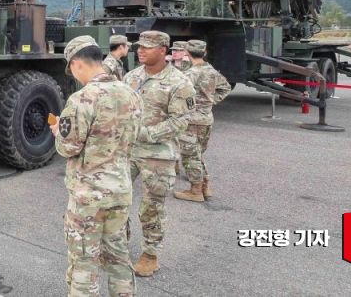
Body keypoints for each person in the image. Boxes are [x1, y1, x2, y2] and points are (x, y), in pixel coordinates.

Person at [52, 35, 140, 297]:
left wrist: (58, 132)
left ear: (77, 63)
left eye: (72, 69)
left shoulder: (81, 99)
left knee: (83, 262)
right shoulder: (131, 94)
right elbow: (133, 136)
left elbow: (68, 148)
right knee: (119, 258)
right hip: (120, 191)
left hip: (88, 198)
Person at [123, 30, 195, 277]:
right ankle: (119, 245)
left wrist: (144, 134)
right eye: (139, 46)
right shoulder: (131, 77)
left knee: (151, 207)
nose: (140, 50)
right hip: (128, 151)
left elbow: (180, 121)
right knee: (115, 200)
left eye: (147, 47)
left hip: (158, 155)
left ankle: (150, 254)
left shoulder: (179, 83)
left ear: (163, 50)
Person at [174, 40, 232, 203]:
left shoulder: (190, 74)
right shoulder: (210, 70)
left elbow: (180, 95)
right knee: (197, 154)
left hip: (192, 120)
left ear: (187, 53)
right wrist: (209, 102)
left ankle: (195, 191)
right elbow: (225, 88)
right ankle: (205, 187)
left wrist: (190, 106)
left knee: (190, 157)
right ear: (204, 52)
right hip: (206, 118)